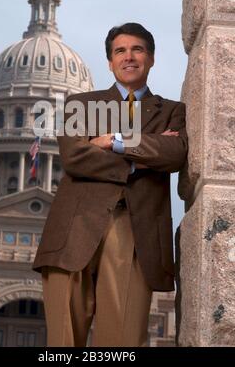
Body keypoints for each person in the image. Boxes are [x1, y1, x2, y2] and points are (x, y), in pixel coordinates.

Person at [33, 22, 188, 347]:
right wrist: (143, 156)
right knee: (62, 345)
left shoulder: (173, 111)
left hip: (135, 234)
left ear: (152, 57)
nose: (128, 57)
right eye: (120, 50)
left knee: (121, 345)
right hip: (73, 231)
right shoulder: (79, 103)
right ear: (110, 61)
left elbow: (174, 154)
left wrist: (115, 140)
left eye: (137, 49)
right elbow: (76, 157)